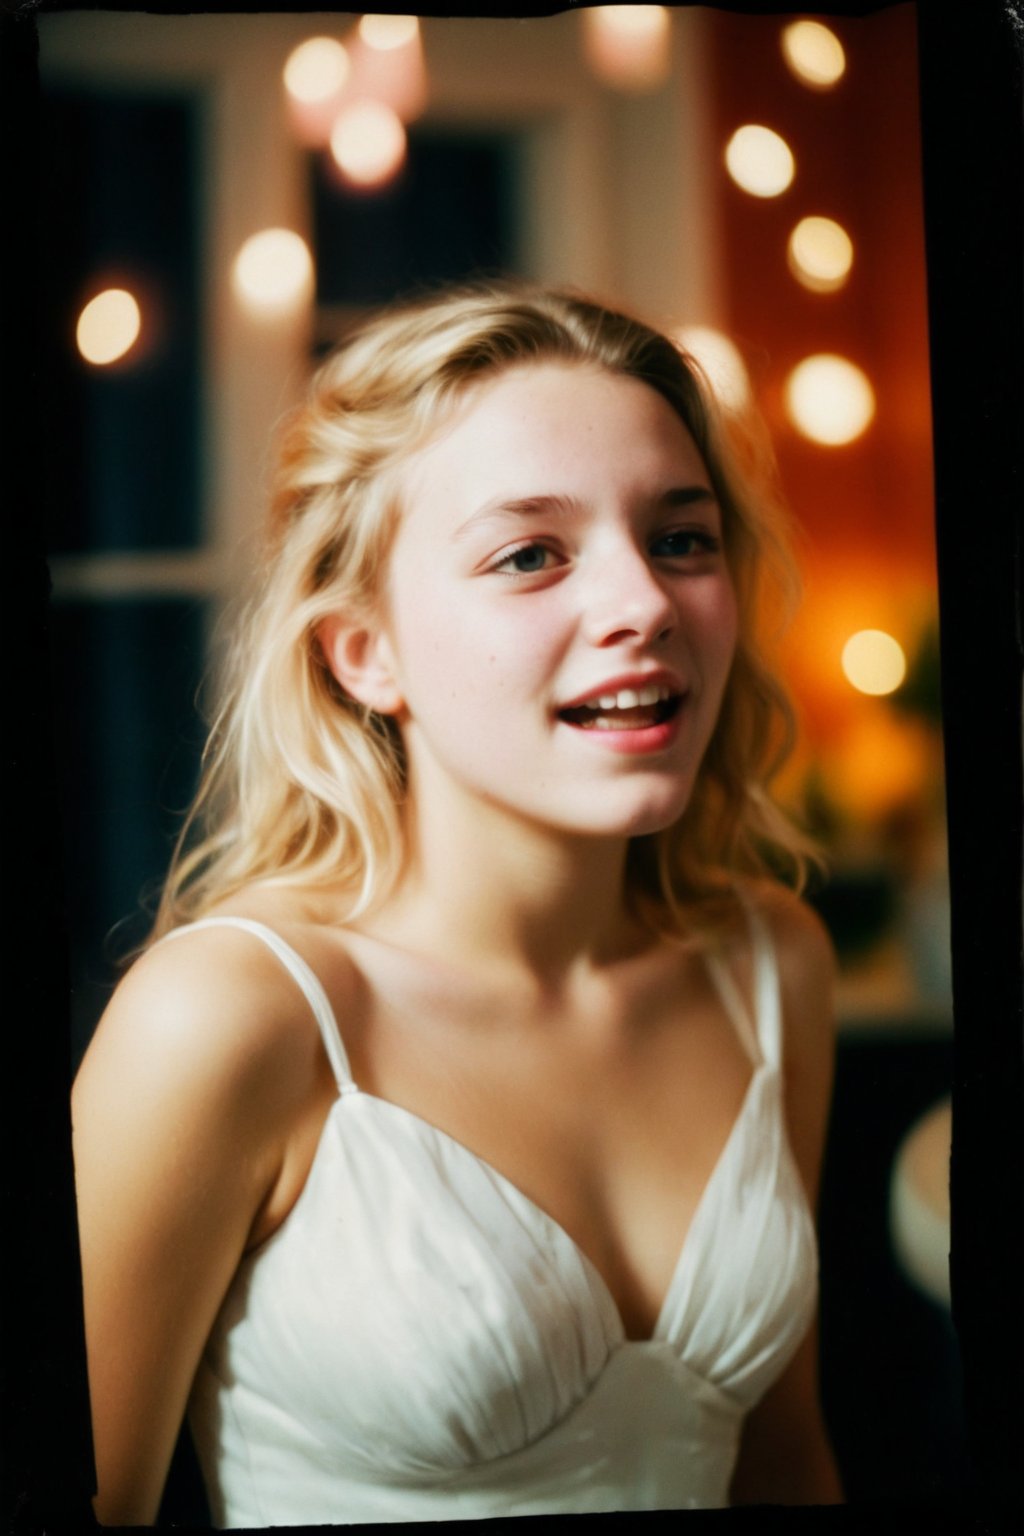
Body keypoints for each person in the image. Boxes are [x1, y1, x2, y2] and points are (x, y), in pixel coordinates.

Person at [71, 281, 843, 1525]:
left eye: (681, 538)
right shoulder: (225, 1021)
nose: (643, 603)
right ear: (361, 651)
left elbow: (785, 1462)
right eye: (530, 553)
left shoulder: (771, 967)